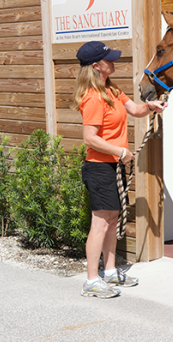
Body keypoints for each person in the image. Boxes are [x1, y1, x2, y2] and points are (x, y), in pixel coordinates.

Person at [72, 41, 167, 298]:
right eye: (108, 59)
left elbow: (135, 109)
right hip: (100, 168)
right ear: (96, 66)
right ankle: (92, 279)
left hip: (114, 166)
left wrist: (151, 106)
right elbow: (89, 138)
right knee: (100, 224)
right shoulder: (93, 97)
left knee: (113, 221)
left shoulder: (111, 89)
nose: (113, 62)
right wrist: (120, 152)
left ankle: (111, 271)